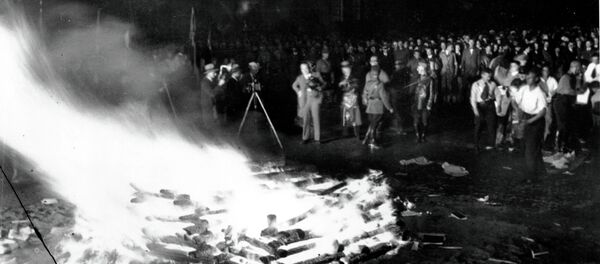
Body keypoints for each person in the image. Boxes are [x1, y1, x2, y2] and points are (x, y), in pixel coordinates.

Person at [513, 69, 547, 183]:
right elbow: (514, 100)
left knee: (530, 149)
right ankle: (540, 172)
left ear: (536, 79)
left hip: (535, 121)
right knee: (525, 147)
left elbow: (542, 112)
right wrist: (517, 109)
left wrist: (530, 121)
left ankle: (531, 177)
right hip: (524, 117)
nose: (528, 79)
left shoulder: (539, 92)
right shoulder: (523, 89)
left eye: (531, 77)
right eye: (527, 77)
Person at [292, 62, 325, 144]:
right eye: (302, 69)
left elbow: (324, 84)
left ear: (308, 68)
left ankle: (317, 138)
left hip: (315, 99)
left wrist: (319, 88)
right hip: (306, 101)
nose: (304, 70)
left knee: (316, 118)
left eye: (306, 68)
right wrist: (298, 91)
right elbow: (294, 85)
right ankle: (305, 137)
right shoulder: (300, 78)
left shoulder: (316, 75)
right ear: (301, 70)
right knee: (306, 119)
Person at [553, 60, 582, 152]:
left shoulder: (574, 77)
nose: (579, 70)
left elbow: (577, 88)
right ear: (574, 67)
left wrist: (578, 80)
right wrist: (577, 92)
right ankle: (559, 145)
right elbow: (567, 91)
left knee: (568, 125)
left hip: (568, 102)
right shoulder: (565, 77)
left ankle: (565, 145)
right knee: (562, 125)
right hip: (561, 102)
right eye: (578, 68)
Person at [362, 69, 394, 149]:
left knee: (372, 123)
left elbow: (364, 94)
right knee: (375, 124)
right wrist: (389, 108)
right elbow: (384, 98)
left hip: (370, 106)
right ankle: (372, 141)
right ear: (377, 75)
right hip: (377, 107)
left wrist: (366, 103)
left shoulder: (368, 83)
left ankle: (366, 139)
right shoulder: (380, 84)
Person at [470, 68, 498, 151]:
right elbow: (473, 98)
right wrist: (475, 109)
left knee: (491, 125)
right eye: (487, 76)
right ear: (482, 75)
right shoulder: (476, 84)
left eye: (490, 76)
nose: (489, 78)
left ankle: (491, 144)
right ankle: (476, 144)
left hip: (489, 105)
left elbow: (497, 94)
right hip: (480, 106)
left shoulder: (493, 84)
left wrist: (497, 104)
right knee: (478, 126)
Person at [410, 62, 434, 143]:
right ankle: (417, 136)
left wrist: (429, 104)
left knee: (425, 121)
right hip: (417, 103)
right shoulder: (418, 79)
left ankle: (423, 135)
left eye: (419, 68)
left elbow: (431, 93)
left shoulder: (429, 80)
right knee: (416, 121)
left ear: (423, 70)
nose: (417, 70)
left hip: (425, 103)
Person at [339, 61, 362, 140]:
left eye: (347, 68)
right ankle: (345, 132)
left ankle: (357, 133)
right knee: (345, 115)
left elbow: (357, 85)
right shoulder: (342, 77)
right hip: (345, 98)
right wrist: (341, 84)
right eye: (343, 68)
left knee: (355, 116)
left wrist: (349, 84)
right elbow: (340, 88)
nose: (345, 70)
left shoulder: (354, 76)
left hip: (353, 98)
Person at [539, 65, 558, 146]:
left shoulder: (552, 80)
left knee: (549, 119)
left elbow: (557, 88)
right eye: (543, 70)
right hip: (540, 104)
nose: (545, 72)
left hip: (549, 103)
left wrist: (551, 94)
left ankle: (546, 138)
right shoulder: (539, 80)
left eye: (547, 70)